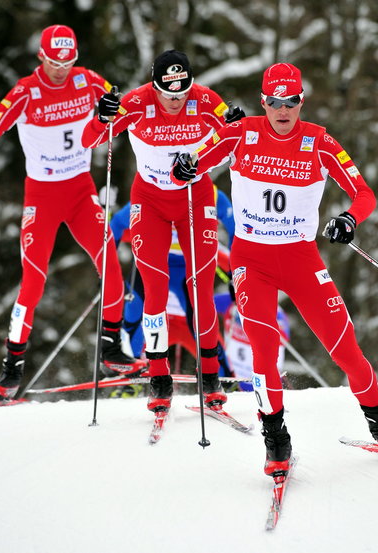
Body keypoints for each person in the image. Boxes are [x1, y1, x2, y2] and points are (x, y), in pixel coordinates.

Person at [170, 62, 378, 476]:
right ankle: (276, 439)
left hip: (301, 259)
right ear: (262, 102)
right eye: (274, 102)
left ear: (301, 101)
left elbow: (364, 193)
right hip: (252, 261)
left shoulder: (319, 142)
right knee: (263, 354)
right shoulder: (240, 133)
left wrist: (350, 218)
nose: (282, 111)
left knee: (346, 348)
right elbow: (191, 165)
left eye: (291, 102)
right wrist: (183, 167)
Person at [0, 24, 140, 400]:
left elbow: (124, 105)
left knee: (109, 261)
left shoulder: (87, 80)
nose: (61, 70)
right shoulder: (26, 91)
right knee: (33, 281)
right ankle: (11, 370)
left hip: (80, 191)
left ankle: (111, 348)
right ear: (41, 58)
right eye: (53, 62)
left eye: (68, 62)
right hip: (42, 196)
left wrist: (113, 108)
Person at [82, 50, 244, 413]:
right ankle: (158, 376)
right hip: (150, 201)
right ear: (154, 85)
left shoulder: (204, 99)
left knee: (201, 286)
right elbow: (90, 142)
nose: (175, 99)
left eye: (181, 91)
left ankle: (211, 375)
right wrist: (100, 117)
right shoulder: (136, 103)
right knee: (153, 288)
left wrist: (235, 122)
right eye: (167, 92)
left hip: (195, 197)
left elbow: (234, 140)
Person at [109, 187, 235, 376]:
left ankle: (222, 376)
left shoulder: (212, 193)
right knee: (135, 309)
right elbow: (118, 223)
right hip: (155, 262)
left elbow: (236, 226)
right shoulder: (153, 187)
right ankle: (131, 371)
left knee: (200, 319)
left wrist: (235, 273)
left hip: (188, 266)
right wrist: (109, 265)